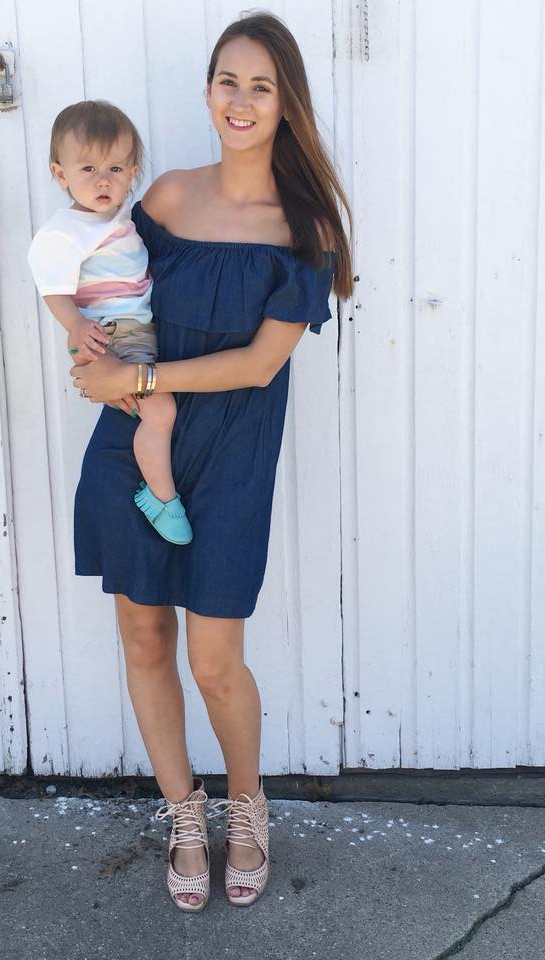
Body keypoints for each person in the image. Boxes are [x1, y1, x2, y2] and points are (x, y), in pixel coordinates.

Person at [69, 12, 354, 911]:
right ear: (206, 90)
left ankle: (248, 804)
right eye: (227, 80)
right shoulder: (160, 201)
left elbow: (260, 364)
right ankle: (184, 814)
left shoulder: (304, 227)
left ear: (285, 103)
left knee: (216, 660)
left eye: (260, 86)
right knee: (144, 637)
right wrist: (91, 356)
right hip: (134, 445)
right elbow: (102, 288)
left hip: (232, 453)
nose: (239, 100)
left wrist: (142, 369)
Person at [27, 100, 192, 545]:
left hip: (135, 329)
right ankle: (160, 496)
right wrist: (76, 328)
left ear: (133, 171)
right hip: (110, 332)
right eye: (88, 169)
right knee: (160, 409)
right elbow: (53, 288)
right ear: (60, 175)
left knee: (155, 410)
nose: (104, 180)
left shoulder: (123, 216)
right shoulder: (64, 232)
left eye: (116, 169)